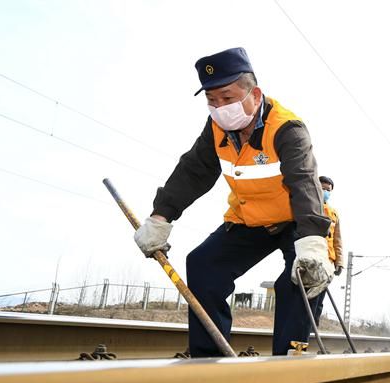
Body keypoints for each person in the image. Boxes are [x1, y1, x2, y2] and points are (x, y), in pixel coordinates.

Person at [133, 47, 333, 356]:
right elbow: (193, 172)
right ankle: (209, 359)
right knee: (203, 265)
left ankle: (289, 360)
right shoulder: (216, 129)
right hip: (249, 220)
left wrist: (313, 244)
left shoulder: (287, 128)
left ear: (255, 94)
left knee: (298, 278)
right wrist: (160, 218)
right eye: (212, 101)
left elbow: (304, 183)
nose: (220, 107)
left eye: (227, 98)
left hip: (296, 221)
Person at [312, 176, 345, 326]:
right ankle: (304, 330)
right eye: (323, 188)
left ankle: (313, 330)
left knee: (319, 300)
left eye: (328, 190)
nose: (325, 192)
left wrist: (340, 262)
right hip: (312, 258)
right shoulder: (309, 205)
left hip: (328, 262)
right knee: (309, 298)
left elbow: (337, 240)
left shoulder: (334, 213)